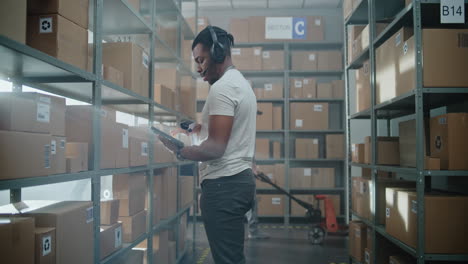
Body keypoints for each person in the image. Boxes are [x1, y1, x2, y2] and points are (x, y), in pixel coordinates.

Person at [159, 26, 257, 264]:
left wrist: (181, 150)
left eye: (201, 59)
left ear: (219, 52)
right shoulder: (239, 83)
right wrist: (198, 129)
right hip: (237, 182)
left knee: (228, 260)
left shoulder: (222, 88)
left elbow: (214, 149)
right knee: (232, 257)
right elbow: (226, 135)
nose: (198, 67)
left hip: (224, 186)